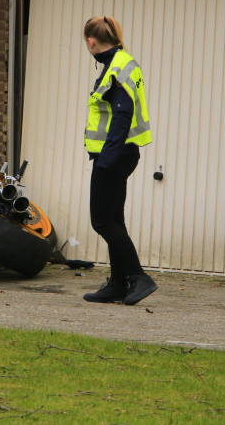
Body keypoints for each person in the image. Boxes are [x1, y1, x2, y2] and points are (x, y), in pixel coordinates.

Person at [81, 16, 158, 306]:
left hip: (113, 156)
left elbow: (122, 116)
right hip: (120, 154)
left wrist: (106, 161)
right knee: (114, 220)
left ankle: (139, 277)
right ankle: (117, 284)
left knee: (101, 221)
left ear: (91, 41)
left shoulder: (116, 68)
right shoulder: (124, 61)